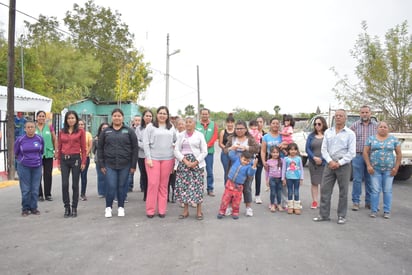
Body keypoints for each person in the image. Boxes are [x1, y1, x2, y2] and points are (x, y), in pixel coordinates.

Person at [313, 109, 356, 225]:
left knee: (343, 191)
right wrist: (330, 161)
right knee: (325, 190)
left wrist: (339, 163)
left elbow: (352, 152)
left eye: (341, 116)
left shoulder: (350, 134)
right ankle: (323, 215)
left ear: (345, 118)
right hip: (329, 164)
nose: (338, 117)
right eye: (336, 116)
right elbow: (324, 149)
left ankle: (341, 216)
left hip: (343, 165)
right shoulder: (328, 132)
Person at [98, 109, 138, 218]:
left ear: (123, 118)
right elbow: (100, 148)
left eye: (119, 116)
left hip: (125, 164)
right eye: (115, 116)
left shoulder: (129, 131)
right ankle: (108, 208)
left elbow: (135, 149)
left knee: (122, 186)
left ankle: (121, 207)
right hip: (109, 164)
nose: (117, 117)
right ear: (112, 117)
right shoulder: (106, 132)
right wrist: (101, 164)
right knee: (111, 186)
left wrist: (133, 165)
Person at [363, 121, 401, 219]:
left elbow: (399, 154)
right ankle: (374, 210)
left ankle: (387, 211)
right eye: (381, 127)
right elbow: (365, 152)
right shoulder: (371, 139)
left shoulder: (393, 139)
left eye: (385, 127)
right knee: (375, 190)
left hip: (389, 170)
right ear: (377, 128)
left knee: (387, 190)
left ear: (388, 129)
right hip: (375, 170)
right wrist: (368, 166)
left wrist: (396, 168)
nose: (383, 128)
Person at [143, 106, 176, 218]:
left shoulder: (171, 127)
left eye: (164, 113)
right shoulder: (150, 126)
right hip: (153, 159)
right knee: (153, 184)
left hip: (168, 159)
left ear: (167, 115)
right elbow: (145, 143)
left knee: (163, 185)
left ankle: (162, 210)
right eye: (160, 113)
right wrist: (148, 158)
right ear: (157, 115)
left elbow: (176, 141)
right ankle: (150, 210)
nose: (162, 115)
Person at [174, 116, 208, 220]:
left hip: (197, 163)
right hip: (184, 163)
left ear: (194, 124)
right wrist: (185, 161)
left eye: (190, 122)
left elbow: (204, 151)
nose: (188, 124)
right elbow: (176, 150)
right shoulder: (180, 135)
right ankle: (185, 211)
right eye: (186, 122)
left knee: (197, 187)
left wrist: (196, 162)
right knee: (184, 187)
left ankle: (199, 211)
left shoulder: (199, 135)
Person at [224, 120, 260, 217]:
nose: (239, 130)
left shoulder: (250, 139)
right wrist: (232, 148)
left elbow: (257, 148)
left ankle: (248, 207)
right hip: (234, 167)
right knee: (231, 188)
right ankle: (230, 207)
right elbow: (225, 150)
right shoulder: (232, 138)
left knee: (247, 187)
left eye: (241, 128)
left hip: (247, 166)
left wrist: (247, 148)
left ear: (245, 129)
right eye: (237, 128)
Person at [58, 110, 86, 218]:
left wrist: (83, 162)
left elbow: (83, 148)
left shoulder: (80, 132)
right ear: (66, 120)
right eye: (69, 118)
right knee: (65, 184)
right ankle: (66, 207)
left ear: (76, 119)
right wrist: (59, 162)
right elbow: (59, 147)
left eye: (73, 118)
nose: (71, 120)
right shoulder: (62, 131)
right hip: (64, 159)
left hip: (75, 160)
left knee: (75, 185)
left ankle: (74, 207)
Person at [350, 105, 378, 211]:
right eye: (362, 112)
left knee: (370, 179)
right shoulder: (354, 126)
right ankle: (356, 202)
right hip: (358, 156)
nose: (365, 114)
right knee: (357, 179)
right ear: (360, 114)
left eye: (366, 112)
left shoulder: (376, 126)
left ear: (370, 113)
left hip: (372, 156)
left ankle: (369, 202)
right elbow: (349, 140)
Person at [217, 150, 258, 219]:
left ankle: (235, 212)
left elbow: (250, 174)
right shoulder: (236, 160)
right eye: (244, 160)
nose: (245, 162)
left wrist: (253, 166)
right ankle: (222, 211)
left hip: (239, 186)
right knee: (226, 198)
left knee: (237, 200)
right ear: (240, 157)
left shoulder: (248, 167)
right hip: (230, 183)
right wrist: (236, 148)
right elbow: (231, 154)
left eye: (248, 161)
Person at [15, 120, 44, 216]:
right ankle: (25, 208)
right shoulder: (20, 139)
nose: (30, 129)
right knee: (26, 189)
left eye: (32, 127)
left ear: (35, 128)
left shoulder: (39, 139)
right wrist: (23, 160)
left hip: (37, 167)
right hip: (24, 167)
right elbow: (16, 152)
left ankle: (34, 208)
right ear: (25, 129)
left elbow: (41, 151)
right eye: (28, 127)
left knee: (35, 189)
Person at [261, 117, 288, 209]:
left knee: (283, 183)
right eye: (273, 123)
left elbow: (289, 145)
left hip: (281, 162)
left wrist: (284, 145)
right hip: (271, 163)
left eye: (277, 123)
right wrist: (264, 161)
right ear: (270, 124)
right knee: (272, 183)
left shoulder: (282, 136)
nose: (275, 125)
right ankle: (274, 202)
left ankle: (284, 202)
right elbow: (263, 151)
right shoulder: (266, 137)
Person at [305, 116, 328, 209]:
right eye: (315, 124)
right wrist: (314, 157)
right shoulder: (311, 136)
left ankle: (324, 202)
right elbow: (307, 149)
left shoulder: (327, 135)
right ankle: (314, 201)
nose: (317, 126)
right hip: (313, 162)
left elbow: (330, 148)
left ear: (323, 124)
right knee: (314, 182)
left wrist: (322, 159)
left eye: (319, 124)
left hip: (324, 162)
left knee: (324, 183)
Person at [35, 110, 58, 202]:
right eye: (39, 116)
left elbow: (54, 139)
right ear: (36, 117)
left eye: (43, 116)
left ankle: (48, 194)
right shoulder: (33, 127)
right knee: (37, 174)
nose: (41, 118)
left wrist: (56, 151)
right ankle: (39, 194)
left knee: (48, 174)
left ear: (45, 118)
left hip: (48, 154)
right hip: (36, 155)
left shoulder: (49, 127)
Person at [195, 108, 218, 196]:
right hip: (198, 152)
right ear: (200, 115)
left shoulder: (213, 124)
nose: (205, 115)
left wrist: (207, 145)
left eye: (206, 114)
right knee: (198, 171)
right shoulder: (196, 124)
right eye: (203, 114)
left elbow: (215, 136)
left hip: (209, 151)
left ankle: (210, 188)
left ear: (209, 115)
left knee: (209, 171)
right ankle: (198, 188)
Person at [282, 143, 304, 215]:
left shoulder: (298, 159)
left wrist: (301, 178)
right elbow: (284, 169)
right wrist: (283, 178)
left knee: (296, 192)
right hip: (289, 178)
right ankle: (290, 207)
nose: (293, 151)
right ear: (288, 151)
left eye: (295, 150)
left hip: (297, 178)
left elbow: (301, 168)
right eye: (291, 150)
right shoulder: (286, 159)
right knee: (290, 192)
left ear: (297, 150)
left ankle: (297, 207)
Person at [136, 110, 153, 201]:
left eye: (150, 116)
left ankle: (152, 194)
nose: (148, 117)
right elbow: (137, 141)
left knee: (152, 176)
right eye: (147, 116)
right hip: (142, 155)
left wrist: (151, 147)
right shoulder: (139, 128)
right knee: (144, 175)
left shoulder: (155, 127)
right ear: (143, 117)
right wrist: (146, 147)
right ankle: (146, 194)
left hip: (153, 156)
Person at [169, 117, 185, 204]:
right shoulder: (174, 134)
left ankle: (184, 197)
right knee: (174, 179)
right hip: (174, 158)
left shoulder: (187, 134)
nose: (181, 126)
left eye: (182, 124)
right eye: (179, 124)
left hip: (184, 159)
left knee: (184, 179)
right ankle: (174, 195)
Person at [92, 122, 109, 198]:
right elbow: (93, 150)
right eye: (103, 128)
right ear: (100, 129)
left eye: (106, 128)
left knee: (109, 176)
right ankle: (101, 192)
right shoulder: (96, 139)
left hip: (109, 159)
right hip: (99, 159)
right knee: (101, 176)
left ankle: (108, 191)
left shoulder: (112, 137)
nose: (104, 129)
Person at [218, 113, 235, 184]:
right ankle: (227, 189)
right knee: (227, 171)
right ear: (226, 123)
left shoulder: (236, 131)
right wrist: (227, 148)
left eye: (231, 123)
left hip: (235, 154)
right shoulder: (223, 132)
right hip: (225, 154)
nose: (230, 124)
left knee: (234, 171)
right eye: (228, 122)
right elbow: (220, 143)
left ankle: (233, 189)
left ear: (234, 123)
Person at [78, 119, 93, 201]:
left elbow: (90, 145)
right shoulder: (74, 134)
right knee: (76, 177)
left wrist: (85, 154)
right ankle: (75, 193)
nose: (80, 126)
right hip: (76, 158)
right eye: (79, 124)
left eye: (82, 124)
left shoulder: (88, 134)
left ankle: (83, 193)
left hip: (85, 158)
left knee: (84, 176)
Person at [127, 115, 141, 193]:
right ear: (133, 121)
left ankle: (142, 186)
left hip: (142, 153)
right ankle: (129, 186)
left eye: (139, 120)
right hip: (132, 153)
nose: (137, 122)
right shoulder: (129, 130)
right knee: (131, 169)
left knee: (143, 171)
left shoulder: (144, 129)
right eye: (136, 120)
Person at [266, 146, 283, 212]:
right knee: (273, 192)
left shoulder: (281, 160)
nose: (275, 154)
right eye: (273, 152)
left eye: (277, 152)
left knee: (279, 192)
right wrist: (267, 180)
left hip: (279, 179)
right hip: (272, 179)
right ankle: (272, 204)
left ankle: (279, 204)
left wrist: (284, 178)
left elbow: (283, 170)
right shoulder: (269, 161)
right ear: (270, 153)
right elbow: (267, 171)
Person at [253, 116, 266, 204]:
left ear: (263, 123)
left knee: (258, 177)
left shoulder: (265, 135)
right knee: (248, 178)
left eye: (261, 122)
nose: (259, 124)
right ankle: (246, 195)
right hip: (250, 157)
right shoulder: (251, 133)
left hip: (260, 158)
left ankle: (257, 195)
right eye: (257, 122)